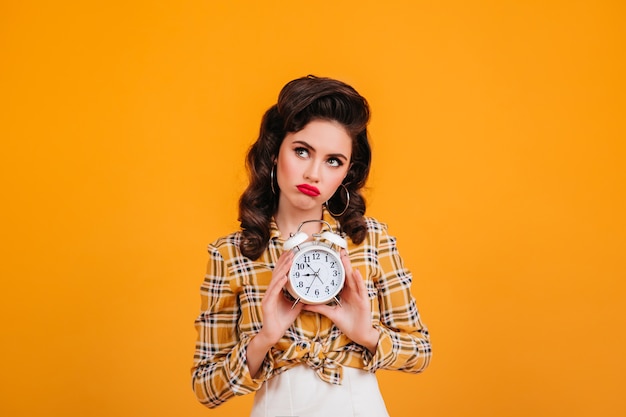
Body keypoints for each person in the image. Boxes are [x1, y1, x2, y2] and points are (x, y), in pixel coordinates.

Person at [192, 75, 431, 416]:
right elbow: (206, 387)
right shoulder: (232, 253)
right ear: (274, 152)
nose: (314, 174)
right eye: (302, 151)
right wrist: (264, 338)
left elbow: (419, 352)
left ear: (347, 173)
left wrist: (365, 333)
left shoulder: (370, 240)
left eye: (333, 160)